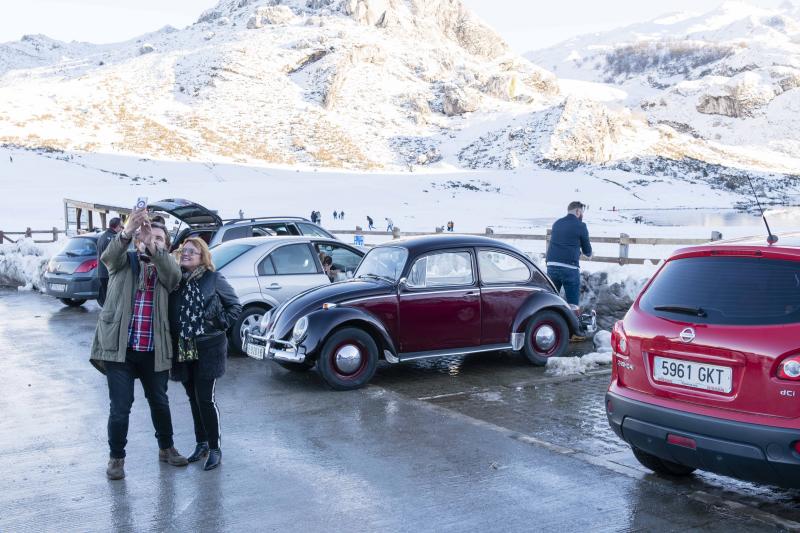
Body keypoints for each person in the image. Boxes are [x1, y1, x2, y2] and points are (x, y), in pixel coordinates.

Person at [90, 207, 188, 481]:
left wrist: (155, 250)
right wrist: (129, 230)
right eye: (148, 236)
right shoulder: (124, 261)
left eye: (159, 238)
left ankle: (166, 448)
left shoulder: (167, 267)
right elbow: (108, 257)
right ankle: (116, 459)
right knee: (120, 407)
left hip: (153, 349)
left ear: (167, 246)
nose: (152, 240)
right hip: (119, 349)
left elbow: (174, 277)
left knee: (159, 401)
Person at [169, 237, 241, 471]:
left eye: (192, 251)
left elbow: (235, 306)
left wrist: (219, 324)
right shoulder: (177, 279)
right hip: (185, 345)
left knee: (205, 398)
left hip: (209, 346)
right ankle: (201, 444)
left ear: (203, 257)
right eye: (184, 250)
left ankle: (215, 448)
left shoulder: (214, 278)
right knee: (192, 398)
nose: (186, 254)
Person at [546, 201, 592, 309]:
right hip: (569, 268)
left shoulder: (557, 223)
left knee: (551, 301)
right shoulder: (581, 226)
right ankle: (572, 324)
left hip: (551, 266)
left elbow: (562, 243)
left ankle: (552, 322)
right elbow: (587, 250)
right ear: (577, 211)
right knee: (573, 306)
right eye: (581, 212)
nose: (582, 215)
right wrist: (588, 254)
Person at [96, 217, 122, 307]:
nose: (122, 229)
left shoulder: (102, 236)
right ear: (117, 226)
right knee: (111, 301)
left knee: (106, 299)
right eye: (121, 226)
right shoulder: (112, 238)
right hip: (109, 273)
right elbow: (114, 256)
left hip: (102, 272)